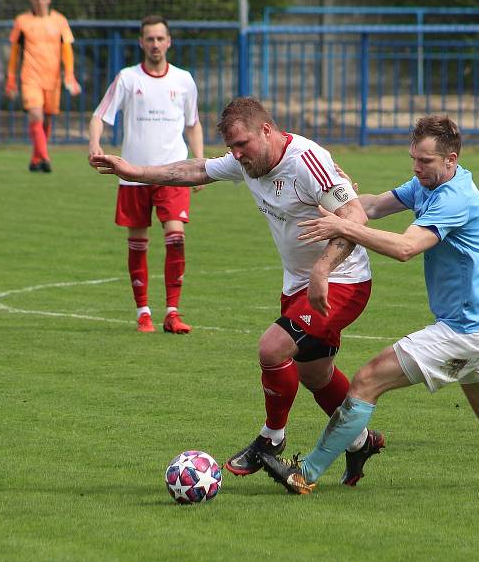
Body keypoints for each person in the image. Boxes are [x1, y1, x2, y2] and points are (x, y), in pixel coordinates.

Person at [257, 115, 479, 495]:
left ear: (451, 159)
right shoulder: (427, 183)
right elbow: (375, 205)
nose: (417, 167)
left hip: (463, 331)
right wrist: (339, 199)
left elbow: (405, 248)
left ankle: (305, 474)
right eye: (414, 159)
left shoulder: (453, 197)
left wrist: (345, 227)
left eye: (425, 161)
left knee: (366, 380)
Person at [90, 96, 383, 485]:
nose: (237, 155)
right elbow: (196, 169)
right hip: (299, 283)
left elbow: (354, 216)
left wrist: (323, 269)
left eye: (242, 144)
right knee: (316, 375)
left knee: (272, 348)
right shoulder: (249, 161)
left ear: (266, 130)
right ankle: (360, 441)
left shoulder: (307, 161)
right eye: (231, 148)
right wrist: (134, 171)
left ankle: (271, 439)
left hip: (342, 282)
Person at [88, 15, 203, 335]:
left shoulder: (183, 80)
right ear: (141, 43)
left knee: (176, 237)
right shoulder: (127, 79)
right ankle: (143, 313)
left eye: (160, 38)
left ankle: (173, 312)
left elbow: (193, 123)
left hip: (174, 172)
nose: (155, 44)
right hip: (133, 175)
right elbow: (99, 115)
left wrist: (199, 163)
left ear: (169, 42)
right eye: (149, 39)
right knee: (138, 242)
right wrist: (95, 143)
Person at [6, 0, 81, 173]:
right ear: (31, 0)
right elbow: (15, 52)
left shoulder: (60, 20)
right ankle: (45, 157)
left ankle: (35, 158)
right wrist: (11, 79)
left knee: (46, 119)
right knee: (36, 115)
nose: (40, 1)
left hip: (53, 78)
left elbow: (67, 51)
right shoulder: (22, 21)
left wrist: (69, 75)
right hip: (30, 77)